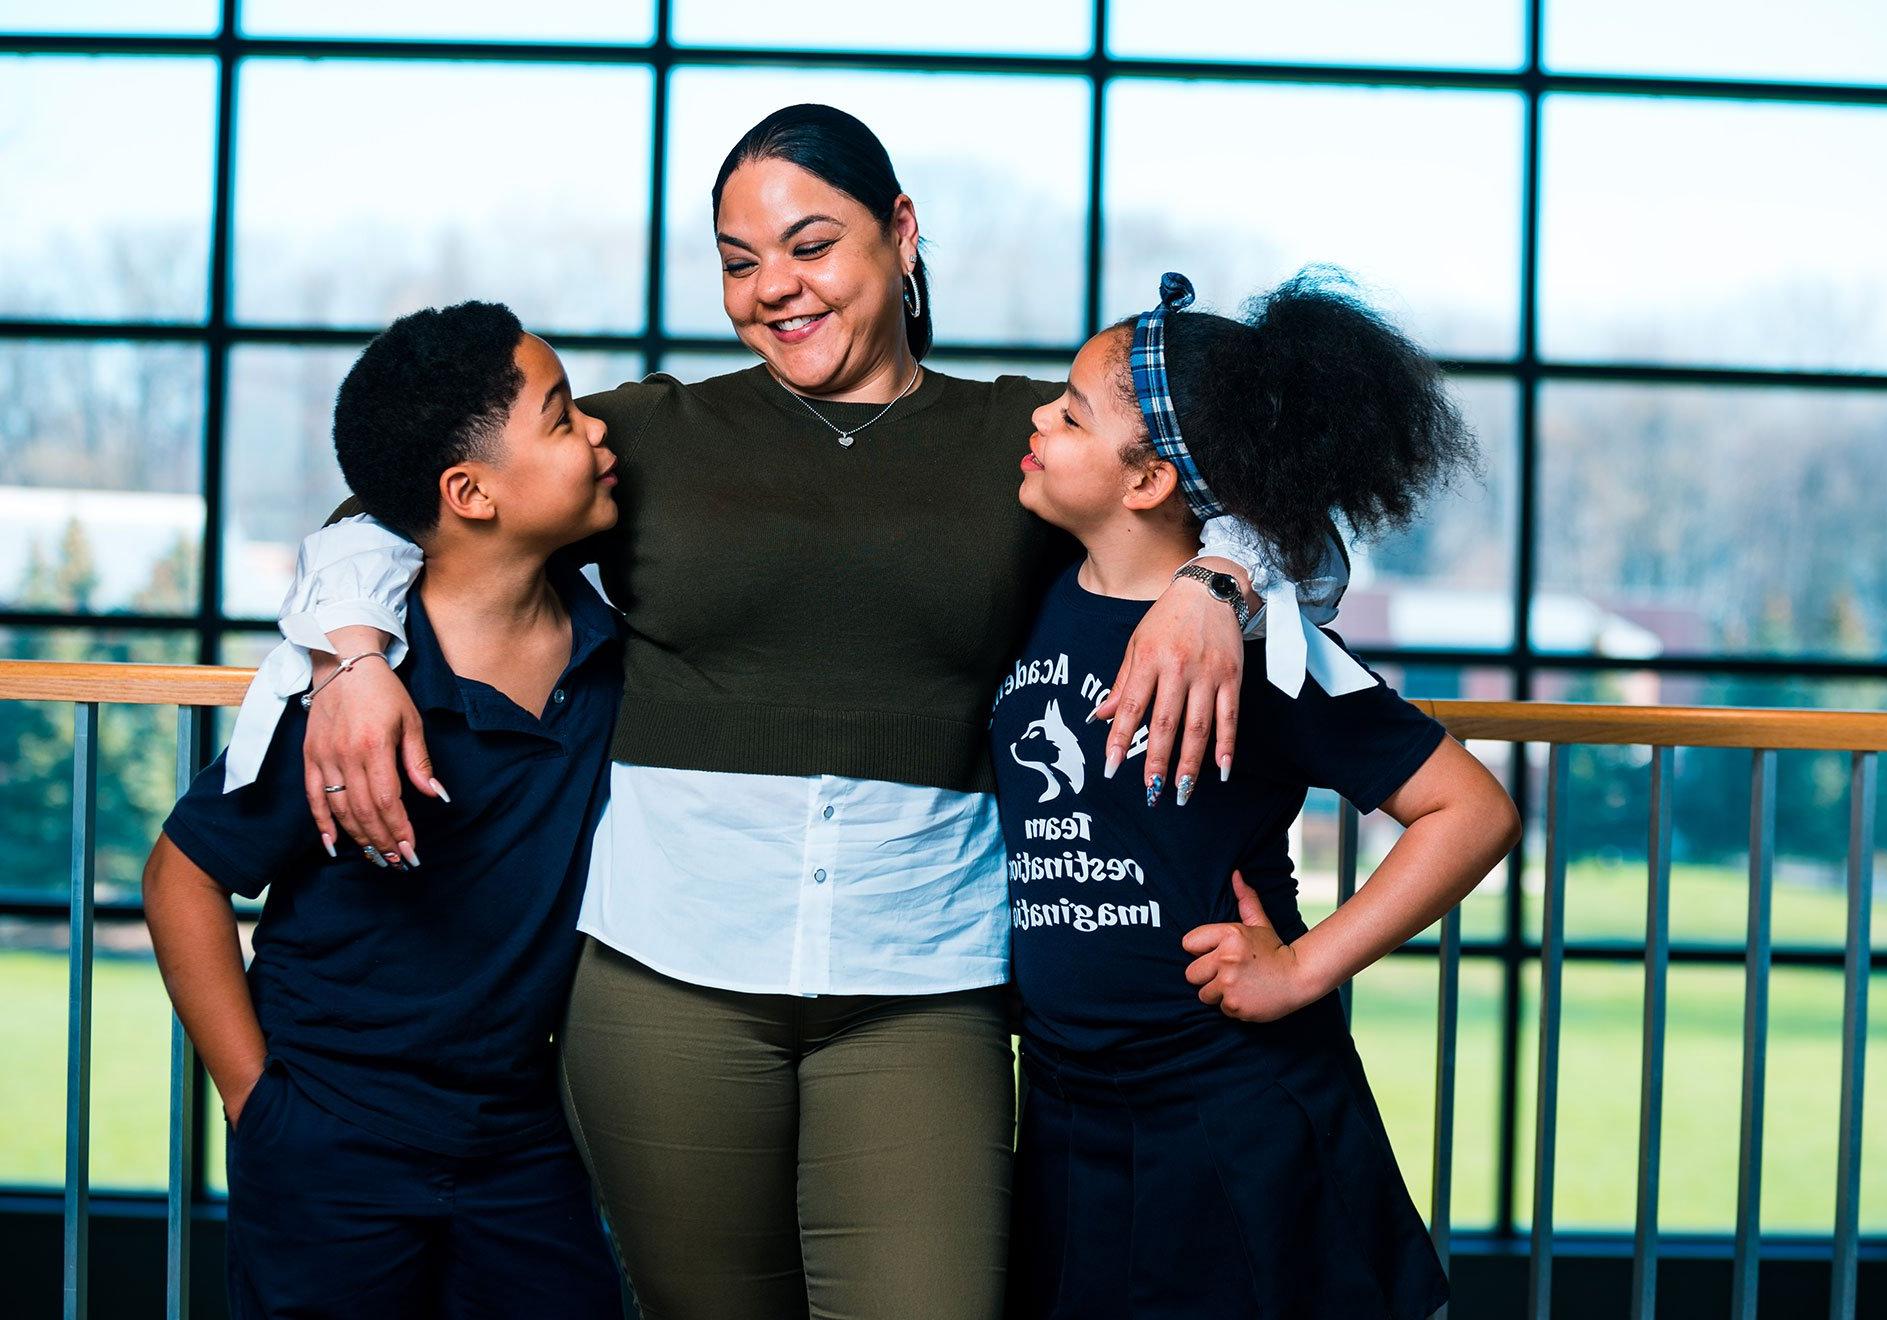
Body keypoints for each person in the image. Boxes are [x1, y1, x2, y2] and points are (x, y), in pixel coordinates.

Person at [228, 105, 1349, 1318]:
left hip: (922, 984)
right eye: (738, 259)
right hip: (662, 983)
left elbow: (1313, 541)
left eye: (810, 245)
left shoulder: (1026, 438)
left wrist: (1214, 579)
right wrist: (348, 659)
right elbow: (395, 505)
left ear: (901, 233)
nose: (773, 288)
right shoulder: (647, 435)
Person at [993, 270, 1522, 1319]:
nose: (1036, 420)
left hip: (1228, 1110)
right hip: (1064, 1110)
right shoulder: (1032, 585)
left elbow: (1472, 810)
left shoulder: (1265, 647)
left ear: (1145, 479)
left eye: (1069, 413)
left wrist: (1301, 971)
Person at [142, 302, 624, 1318]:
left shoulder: (612, 648)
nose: (597, 432)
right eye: (562, 416)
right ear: (470, 491)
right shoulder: (349, 701)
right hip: (329, 1146)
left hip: (521, 1146)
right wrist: (256, 1104)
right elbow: (182, 874)